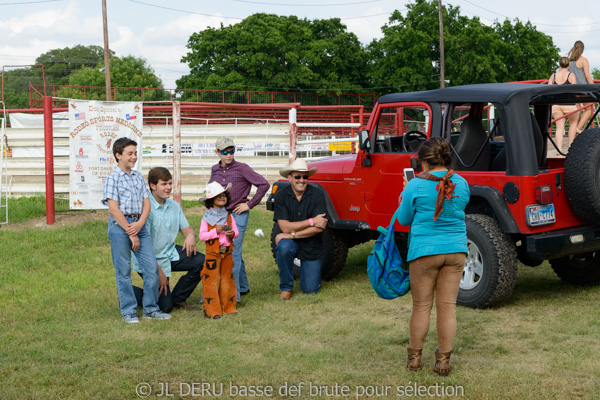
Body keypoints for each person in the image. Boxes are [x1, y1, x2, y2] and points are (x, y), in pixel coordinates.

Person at [396, 137, 470, 376]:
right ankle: (443, 362)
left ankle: (415, 359)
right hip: (456, 250)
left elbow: (404, 220)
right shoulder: (462, 182)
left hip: (425, 252)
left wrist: (403, 195)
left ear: (424, 162)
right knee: (447, 307)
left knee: (421, 307)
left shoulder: (415, 185)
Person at [102, 137, 171, 323]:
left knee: (151, 268)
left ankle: (150, 309)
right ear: (118, 155)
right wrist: (130, 231)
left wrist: (140, 223)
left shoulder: (139, 177)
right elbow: (114, 209)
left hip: (138, 224)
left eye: (135, 153)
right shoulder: (112, 179)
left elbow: (146, 203)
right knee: (123, 270)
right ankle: (129, 311)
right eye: (129, 153)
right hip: (120, 227)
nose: (134, 157)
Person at [131, 167, 205, 313]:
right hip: (149, 259)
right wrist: (160, 273)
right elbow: (144, 249)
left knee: (202, 261)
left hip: (169, 253)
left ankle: (179, 297)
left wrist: (190, 236)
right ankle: (127, 291)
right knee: (165, 307)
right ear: (153, 186)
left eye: (170, 183)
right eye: (164, 184)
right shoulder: (145, 208)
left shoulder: (174, 206)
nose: (169, 187)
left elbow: (187, 229)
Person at [209, 136, 270, 302]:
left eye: (232, 151)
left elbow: (264, 184)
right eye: (225, 152)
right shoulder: (215, 169)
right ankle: (242, 287)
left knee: (231, 253)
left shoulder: (242, 168)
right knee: (233, 251)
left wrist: (249, 205)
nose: (229, 155)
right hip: (220, 216)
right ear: (217, 153)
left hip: (238, 215)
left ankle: (231, 297)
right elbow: (211, 191)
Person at [273, 158, 328, 300]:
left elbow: (319, 228)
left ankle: (308, 276)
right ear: (289, 177)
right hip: (291, 242)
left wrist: (291, 235)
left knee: (310, 290)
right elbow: (284, 227)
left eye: (305, 177)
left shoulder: (317, 194)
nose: (301, 180)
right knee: (283, 247)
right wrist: (311, 221)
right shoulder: (280, 196)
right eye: (297, 176)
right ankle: (286, 287)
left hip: (312, 244)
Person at [199, 181, 239, 319]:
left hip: (227, 252)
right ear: (211, 199)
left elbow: (236, 231)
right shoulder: (206, 218)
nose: (222, 197)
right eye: (218, 196)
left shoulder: (229, 216)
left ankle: (228, 307)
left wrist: (232, 234)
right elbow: (202, 236)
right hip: (212, 254)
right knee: (212, 280)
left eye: (224, 195)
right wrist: (215, 232)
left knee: (227, 279)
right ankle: (212, 310)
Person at [547, 57, 579, 151]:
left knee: (559, 128)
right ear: (569, 65)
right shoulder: (571, 75)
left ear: (559, 64)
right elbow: (574, 90)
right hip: (569, 103)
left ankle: (559, 149)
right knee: (573, 124)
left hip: (556, 104)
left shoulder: (553, 76)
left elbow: (548, 89)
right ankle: (570, 147)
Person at [567, 40, 595, 133]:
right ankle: (578, 128)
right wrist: (594, 88)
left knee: (577, 111)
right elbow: (587, 75)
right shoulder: (584, 60)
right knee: (589, 109)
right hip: (584, 90)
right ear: (582, 49)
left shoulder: (569, 62)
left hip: (573, 90)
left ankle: (573, 134)